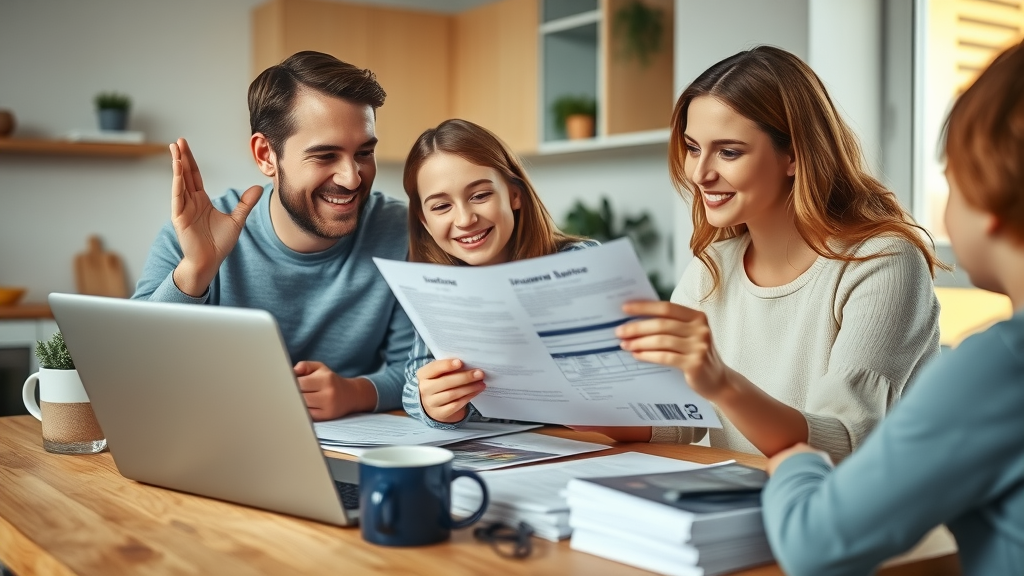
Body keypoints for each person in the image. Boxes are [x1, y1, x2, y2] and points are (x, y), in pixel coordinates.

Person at [578, 45, 944, 464]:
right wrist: (569, 399)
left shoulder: (882, 263)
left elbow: (844, 443)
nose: (699, 173)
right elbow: (675, 419)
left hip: (861, 521)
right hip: (744, 507)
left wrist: (720, 383)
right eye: (693, 148)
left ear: (793, 155)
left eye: (729, 152)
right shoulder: (713, 266)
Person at [761, 41, 1024, 575]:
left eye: (950, 180)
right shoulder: (712, 264)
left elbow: (815, 544)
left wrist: (796, 462)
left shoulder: (1000, 367)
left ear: (991, 197)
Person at [133, 51, 414, 421]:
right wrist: (196, 270)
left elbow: (420, 371)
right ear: (266, 155)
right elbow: (137, 369)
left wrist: (354, 392)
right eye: (325, 155)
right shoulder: (195, 232)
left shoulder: (402, 232)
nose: (352, 178)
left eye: (364, 152)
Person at [400, 119, 596, 428]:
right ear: (424, 221)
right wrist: (432, 404)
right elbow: (414, 381)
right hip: (498, 451)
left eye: (480, 195)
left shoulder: (577, 261)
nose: (465, 219)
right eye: (441, 207)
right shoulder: (434, 285)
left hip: (587, 442)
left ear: (514, 194)